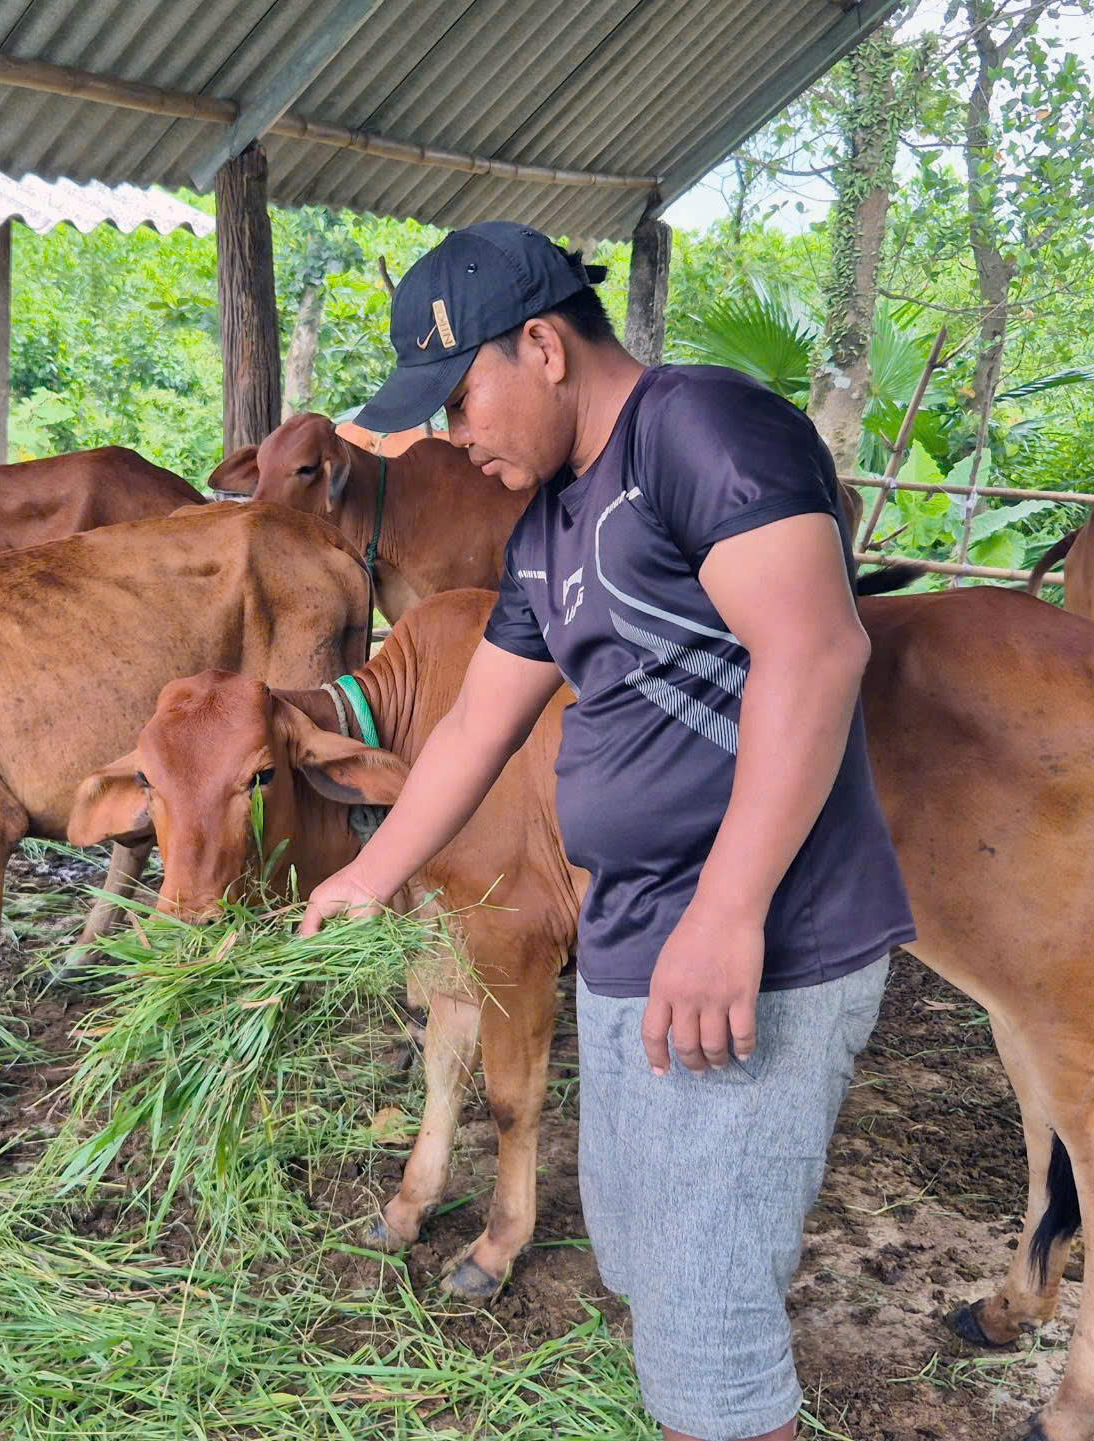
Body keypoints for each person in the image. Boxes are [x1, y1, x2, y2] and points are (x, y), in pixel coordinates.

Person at [299, 223, 914, 1441]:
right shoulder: (548, 523)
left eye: (458, 397)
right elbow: (478, 720)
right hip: (633, 938)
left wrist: (727, 912)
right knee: (647, 1268)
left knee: (711, 1347)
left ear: (540, 346)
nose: (449, 436)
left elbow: (817, 647)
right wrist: (372, 872)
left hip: (759, 946)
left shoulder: (702, 431)